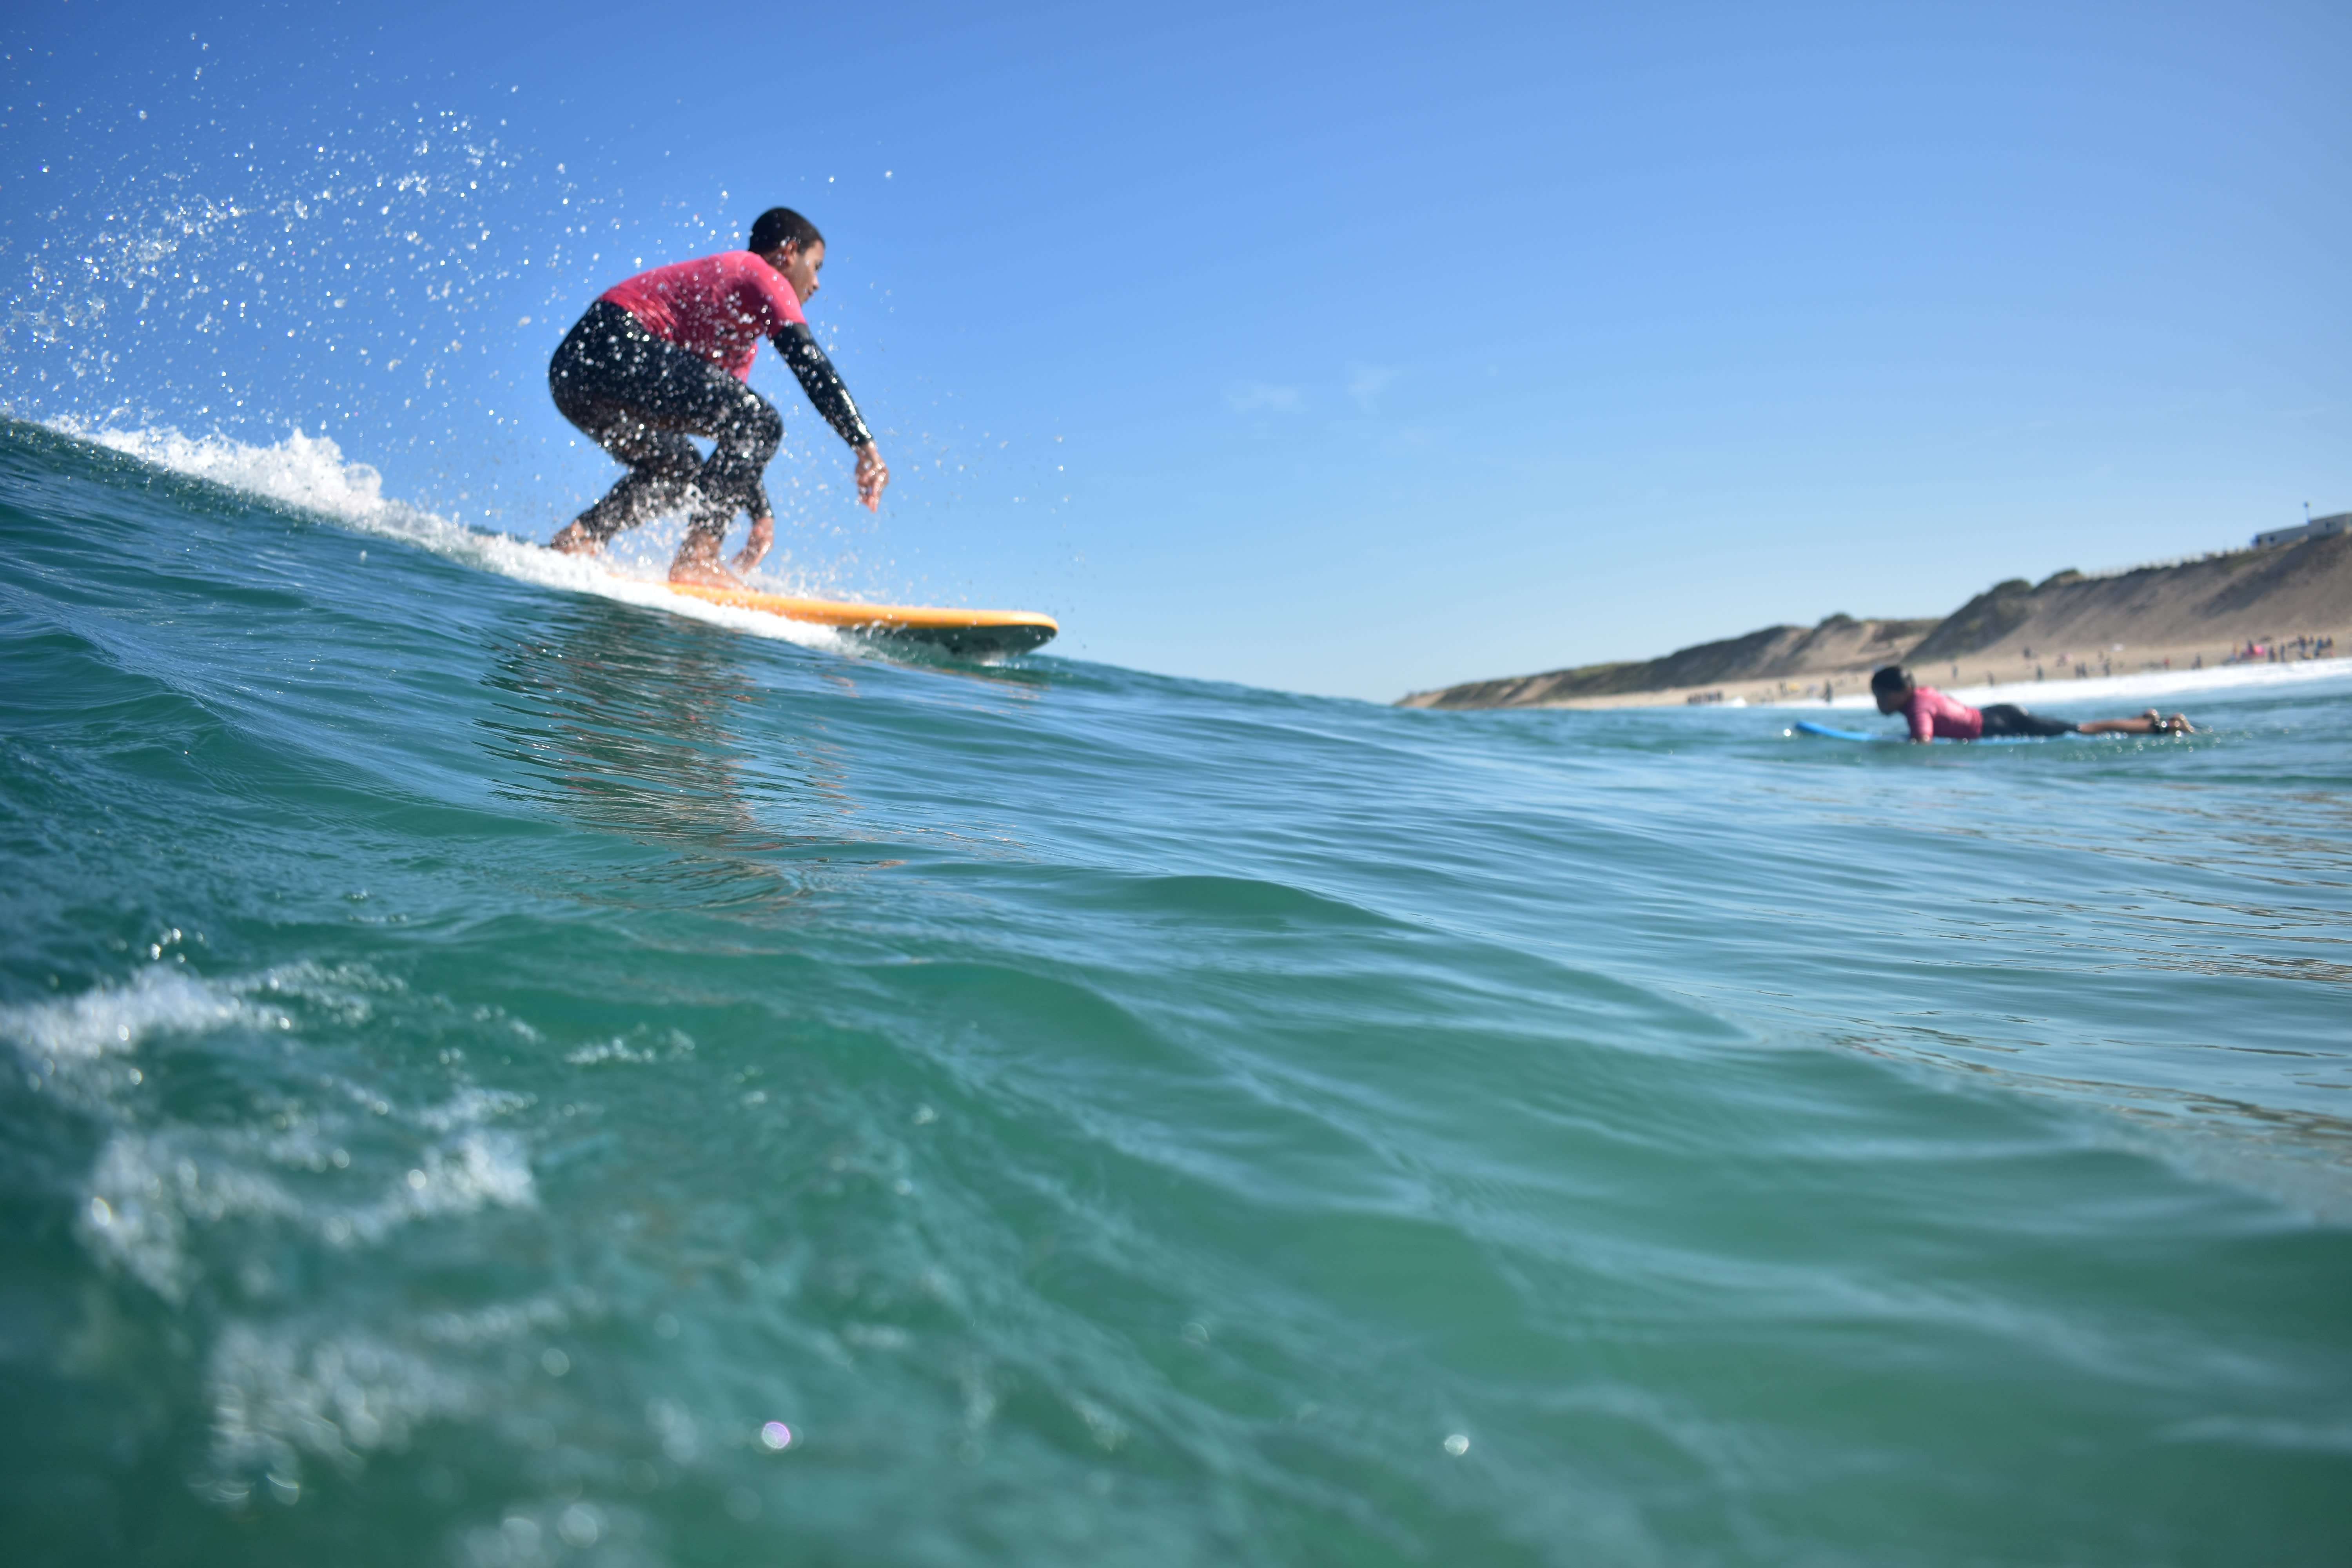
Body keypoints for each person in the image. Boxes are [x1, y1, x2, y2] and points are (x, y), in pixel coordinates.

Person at [545, 207, 888, 584]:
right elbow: (807, 361)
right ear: (788, 254)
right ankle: (698, 558)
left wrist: (761, 514)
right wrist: (863, 444)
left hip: (573, 377)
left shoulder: (740, 342)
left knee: (681, 468)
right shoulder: (759, 271)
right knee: (761, 422)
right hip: (610, 340)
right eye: (816, 266)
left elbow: (738, 443)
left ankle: (580, 539)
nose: (817, 284)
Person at [1869, 666, 2192, 740]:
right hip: (1996, 715)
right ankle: (2142, 720)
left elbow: (1923, 741)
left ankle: (2161, 727)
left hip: (2001, 724)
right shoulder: (1923, 694)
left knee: (2081, 730)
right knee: (2075, 728)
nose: (1879, 704)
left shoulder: (1917, 707)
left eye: (1881, 696)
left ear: (1901, 692)